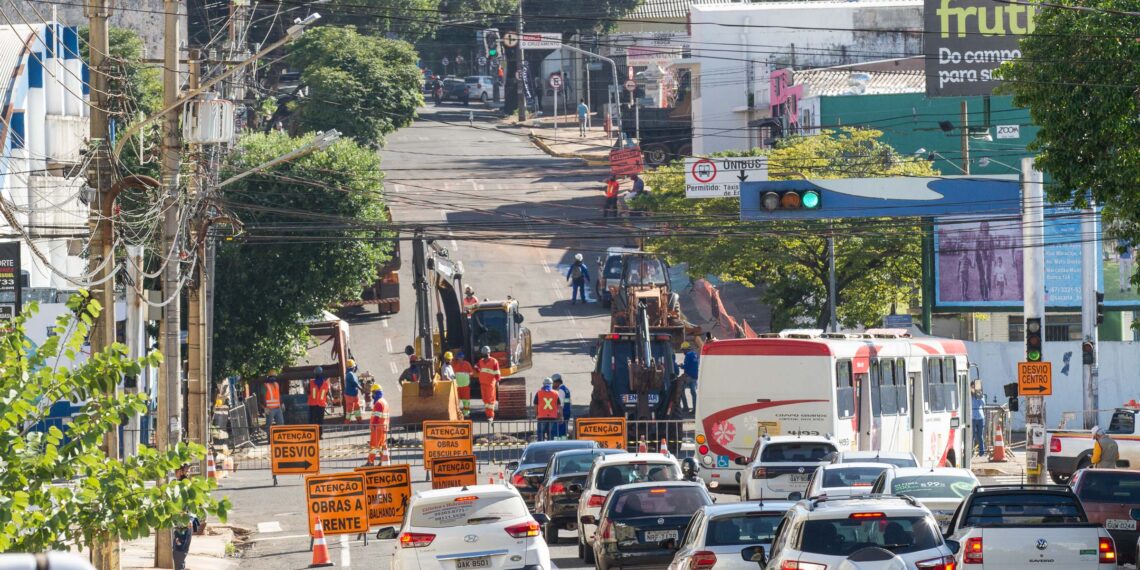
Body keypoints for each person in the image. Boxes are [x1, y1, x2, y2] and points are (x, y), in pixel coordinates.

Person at [172, 464, 202, 570]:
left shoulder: (182, 486)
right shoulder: (183, 485)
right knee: (180, 551)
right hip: (181, 524)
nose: (188, 471)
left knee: (179, 551)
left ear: (180, 472)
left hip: (183, 525)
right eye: (187, 469)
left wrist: (190, 519)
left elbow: (192, 505)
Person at [367, 384, 390, 465]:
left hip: (377, 427)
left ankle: (370, 462)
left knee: (373, 445)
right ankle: (382, 461)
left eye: (373, 393)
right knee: (380, 446)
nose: (372, 395)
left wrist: (373, 425)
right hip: (383, 427)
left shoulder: (378, 403)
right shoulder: (384, 402)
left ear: (375, 393)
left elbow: (377, 416)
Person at [477, 345, 501, 422]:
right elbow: (477, 367)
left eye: (486, 353)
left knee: (490, 401)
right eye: (484, 354)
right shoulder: (480, 361)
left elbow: (497, 373)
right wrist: (478, 369)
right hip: (483, 384)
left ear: (489, 353)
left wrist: (497, 381)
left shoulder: (494, 361)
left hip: (490, 384)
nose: (485, 355)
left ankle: (490, 416)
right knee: (485, 400)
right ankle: (488, 414)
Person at [452, 349, 475, 418]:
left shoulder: (467, 364)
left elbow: (472, 373)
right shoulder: (454, 364)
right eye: (459, 358)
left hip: (465, 386)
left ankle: (466, 413)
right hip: (457, 386)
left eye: (461, 358)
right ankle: (456, 414)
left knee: (466, 401)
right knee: (456, 401)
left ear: (463, 358)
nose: (460, 359)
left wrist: (467, 375)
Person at [307, 366, 330, 437]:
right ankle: (320, 435)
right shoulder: (326, 384)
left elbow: (308, 392)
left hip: (313, 405)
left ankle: (312, 435)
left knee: (312, 420)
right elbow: (327, 394)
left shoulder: (310, 382)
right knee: (320, 420)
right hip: (321, 405)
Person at [680, 341, 700, 413]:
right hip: (695, 377)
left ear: (685, 349)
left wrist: (681, 365)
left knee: (681, 390)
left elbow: (686, 366)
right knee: (693, 393)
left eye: (683, 350)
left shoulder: (688, 355)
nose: (682, 352)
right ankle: (695, 409)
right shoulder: (695, 354)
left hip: (689, 377)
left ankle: (685, 407)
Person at [343, 359, 362, 424]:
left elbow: (356, 382)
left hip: (353, 394)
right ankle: (348, 421)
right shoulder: (350, 374)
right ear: (353, 367)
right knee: (350, 408)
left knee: (356, 407)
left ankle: (358, 419)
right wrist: (361, 389)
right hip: (350, 395)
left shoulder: (351, 374)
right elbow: (355, 383)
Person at [971, 388, 986, 457]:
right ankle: (971, 451)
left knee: (980, 435)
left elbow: (983, 404)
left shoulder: (980, 395)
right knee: (972, 435)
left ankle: (982, 452)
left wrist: (979, 396)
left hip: (980, 417)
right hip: (972, 417)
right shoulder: (970, 396)